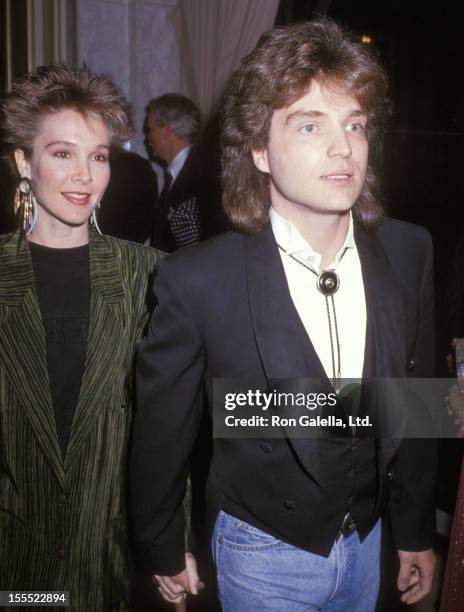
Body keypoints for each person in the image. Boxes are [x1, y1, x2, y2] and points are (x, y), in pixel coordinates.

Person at [130, 18, 437, 611]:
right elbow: (162, 431)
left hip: (370, 541)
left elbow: (416, 400)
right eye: (309, 125)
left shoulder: (408, 250)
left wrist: (417, 529)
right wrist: (161, 543)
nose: (343, 147)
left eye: (354, 125)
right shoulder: (198, 279)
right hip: (260, 548)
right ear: (259, 150)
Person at [0, 64, 194, 611]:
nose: (84, 175)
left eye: (99, 156)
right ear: (23, 162)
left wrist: (171, 545)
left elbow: (170, 424)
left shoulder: (151, 276)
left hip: (111, 563)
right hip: (13, 570)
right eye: (63, 153)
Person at [145, 93, 220, 252]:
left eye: (149, 129)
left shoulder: (200, 176)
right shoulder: (180, 172)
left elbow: (197, 250)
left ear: (166, 130)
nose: (147, 138)